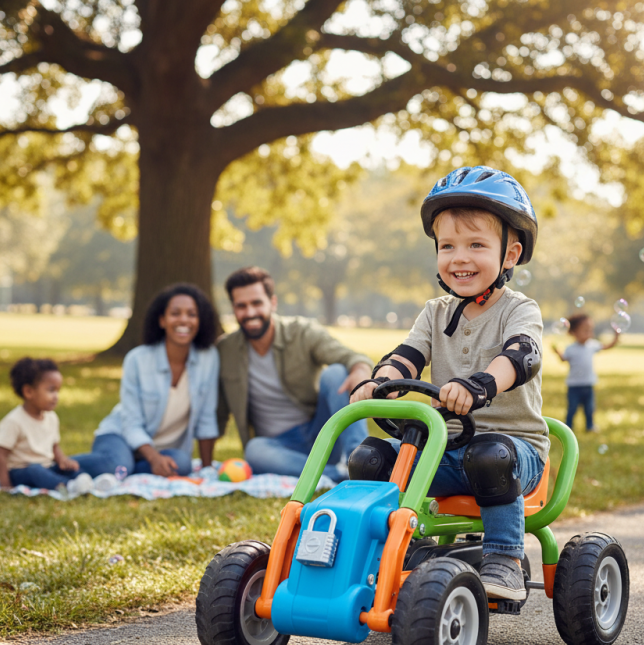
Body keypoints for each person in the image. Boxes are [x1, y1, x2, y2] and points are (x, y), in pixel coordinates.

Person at [349, 166, 548, 602]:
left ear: (510, 255)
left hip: (515, 453)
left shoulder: (519, 309)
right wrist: (380, 382)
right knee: (370, 458)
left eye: (477, 245)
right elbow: (407, 356)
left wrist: (480, 385)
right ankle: (393, 551)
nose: (460, 257)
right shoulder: (435, 312)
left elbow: (522, 355)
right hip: (447, 447)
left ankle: (504, 559)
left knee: (489, 455)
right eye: (448, 246)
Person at [217, 267, 373, 483]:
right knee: (254, 450)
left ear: (272, 302)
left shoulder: (301, 332)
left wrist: (360, 372)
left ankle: (364, 463)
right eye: (241, 306)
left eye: (256, 303)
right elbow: (217, 410)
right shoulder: (226, 350)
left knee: (337, 373)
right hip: (277, 447)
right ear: (233, 309)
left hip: (321, 433)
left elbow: (354, 358)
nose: (250, 312)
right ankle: (337, 475)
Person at [75, 283, 220, 478]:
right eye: (175, 313)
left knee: (182, 465)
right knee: (115, 465)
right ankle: (53, 466)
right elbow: (130, 422)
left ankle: (125, 471)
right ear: (162, 320)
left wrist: (206, 469)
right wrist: (153, 459)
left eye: (192, 314)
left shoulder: (208, 358)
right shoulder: (138, 359)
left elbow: (206, 417)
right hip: (120, 436)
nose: (184, 319)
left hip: (163, 449)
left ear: (200, 320)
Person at [0, 357, 94, 495]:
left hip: (47, 467)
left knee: (72, 468)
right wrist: (5, 485)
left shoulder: (52, 417)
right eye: (51, 390)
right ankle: (68, 487)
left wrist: (63, 461)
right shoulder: (13, 421)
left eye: (58, 391)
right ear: (28, 392)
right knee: (35, 471)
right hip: (21, 471)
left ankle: (89, 482)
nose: (56, 396)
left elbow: (54, 446)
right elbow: (1, 454)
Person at [552, 314, 619, 432]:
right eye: (585, 330)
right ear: (574, 332)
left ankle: (590, 426)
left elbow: (608, 346)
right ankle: (568, 426)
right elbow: (563, 359)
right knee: (572, 408)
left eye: (590, 330)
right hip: (574, 386)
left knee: (590, 408)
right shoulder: (571, 348)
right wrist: (557, 352)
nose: (589, 333)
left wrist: (616, 337)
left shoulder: (592, 345)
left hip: (588, 384)